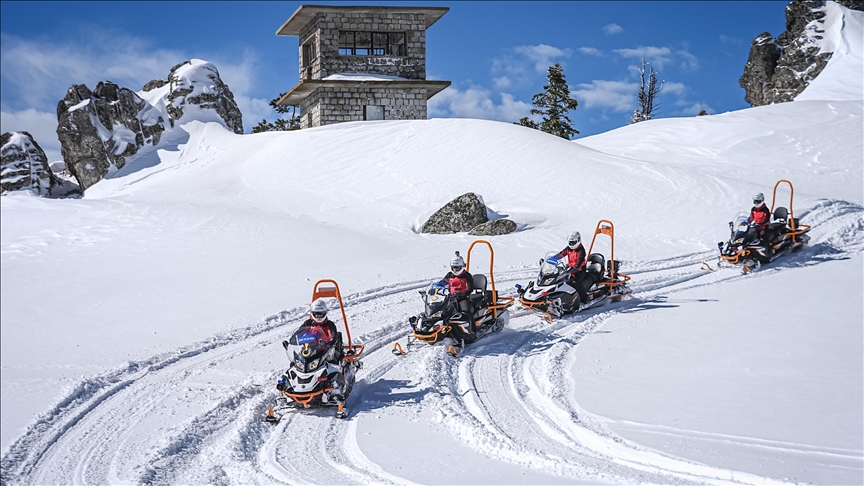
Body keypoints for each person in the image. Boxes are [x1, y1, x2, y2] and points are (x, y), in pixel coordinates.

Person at [443, 251, 476, 337]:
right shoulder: (450, 274)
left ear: (461, 266)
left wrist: (464, 293)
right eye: (453, 267)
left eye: (457, 268)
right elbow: (442, 283)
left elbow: (470, 287)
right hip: (451, 297)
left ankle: (473, 330)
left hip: (462, 297)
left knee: (466, 311)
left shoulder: (467, 276)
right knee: (443, 311)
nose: (455, 270)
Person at [555, 231, 590, 307]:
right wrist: (553, 258)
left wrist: (576, 267)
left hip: (580, 270)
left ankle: (585, 298)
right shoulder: (568, 249)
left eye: (573, 243)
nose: (571, 245)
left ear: (578, 240)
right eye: (570, 243)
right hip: (570, 269)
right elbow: (562, 254)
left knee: (575, 283)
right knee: (561, 281)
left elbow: (580, 260)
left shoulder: (581, 250)